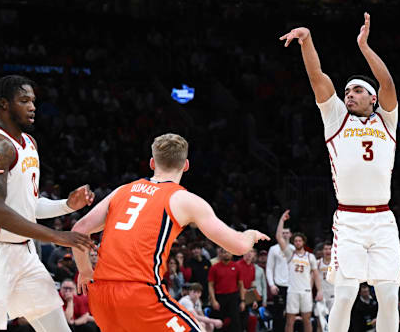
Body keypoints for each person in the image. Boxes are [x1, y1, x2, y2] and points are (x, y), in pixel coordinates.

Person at [70, 133, 269, 332]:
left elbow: (79, 229)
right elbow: (238, 246)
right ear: (186, 165)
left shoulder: (122, 191)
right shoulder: (184, 199)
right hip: (140, 294)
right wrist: (250, 235)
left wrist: (86, 270)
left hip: (102, 298)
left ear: (151, 163)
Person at [281, 13, 400, 332]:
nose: (349, 94)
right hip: (349, 218)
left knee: (389, 295)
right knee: (345, 293)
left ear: (372, 98)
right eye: (347, 90)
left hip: (383, 219)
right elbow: (317, 77)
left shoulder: (386, 120)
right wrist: (306, 41)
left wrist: (363, 46)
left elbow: (387, 82)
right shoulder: (336, 118)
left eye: (357, 91)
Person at [0, 75, 96, 332]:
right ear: (4, 104)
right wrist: (57, 236)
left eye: (33, 101)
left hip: (24, 254)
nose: (32, 106)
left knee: (58, 327)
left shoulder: (29, 144)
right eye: (24, 100)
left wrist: (67, 205)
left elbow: (27, 206)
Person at [275, 210, 322, 332]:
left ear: (303, 242)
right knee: (290, 320)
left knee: (307, 320)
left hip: (306, 291)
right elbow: (278, 237)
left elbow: (316, 275)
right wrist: (281, 220)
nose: (297, 242)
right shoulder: (290, 254)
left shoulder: (310, 256)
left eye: (300, 240)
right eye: (295, 241)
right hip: (293, 291)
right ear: (293, 242)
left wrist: (320, 291)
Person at [208, 247, 244, 332]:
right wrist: (213, 300)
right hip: (219, 297)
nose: (226, 254)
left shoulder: (236, 266)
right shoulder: (214, 268)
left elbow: (241, 285)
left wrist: (242, 300)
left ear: (231, 254)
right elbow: (210, 285)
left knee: (236, 322)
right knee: (218, 322)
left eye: (228, 252)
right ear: (220, 254)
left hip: (233, 297)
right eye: (223, 252)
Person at [267, 223, 293, 332]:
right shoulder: (273, 249)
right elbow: (269, 268)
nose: (285, 235)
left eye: (287, 233)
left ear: (291, 234)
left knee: (291, 314)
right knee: (278, 315)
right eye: (283, 233)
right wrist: (272, 285)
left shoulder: (294, 249)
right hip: (278, 286)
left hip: (292, 286)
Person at [318, 241, 335, 310]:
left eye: (330, 249)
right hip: (322, 294)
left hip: (333, 293)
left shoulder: (336, 263)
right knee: (320, 317)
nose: (328, 251)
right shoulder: (318, 263)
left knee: (333, 318)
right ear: (322, 251)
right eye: (325, 249)